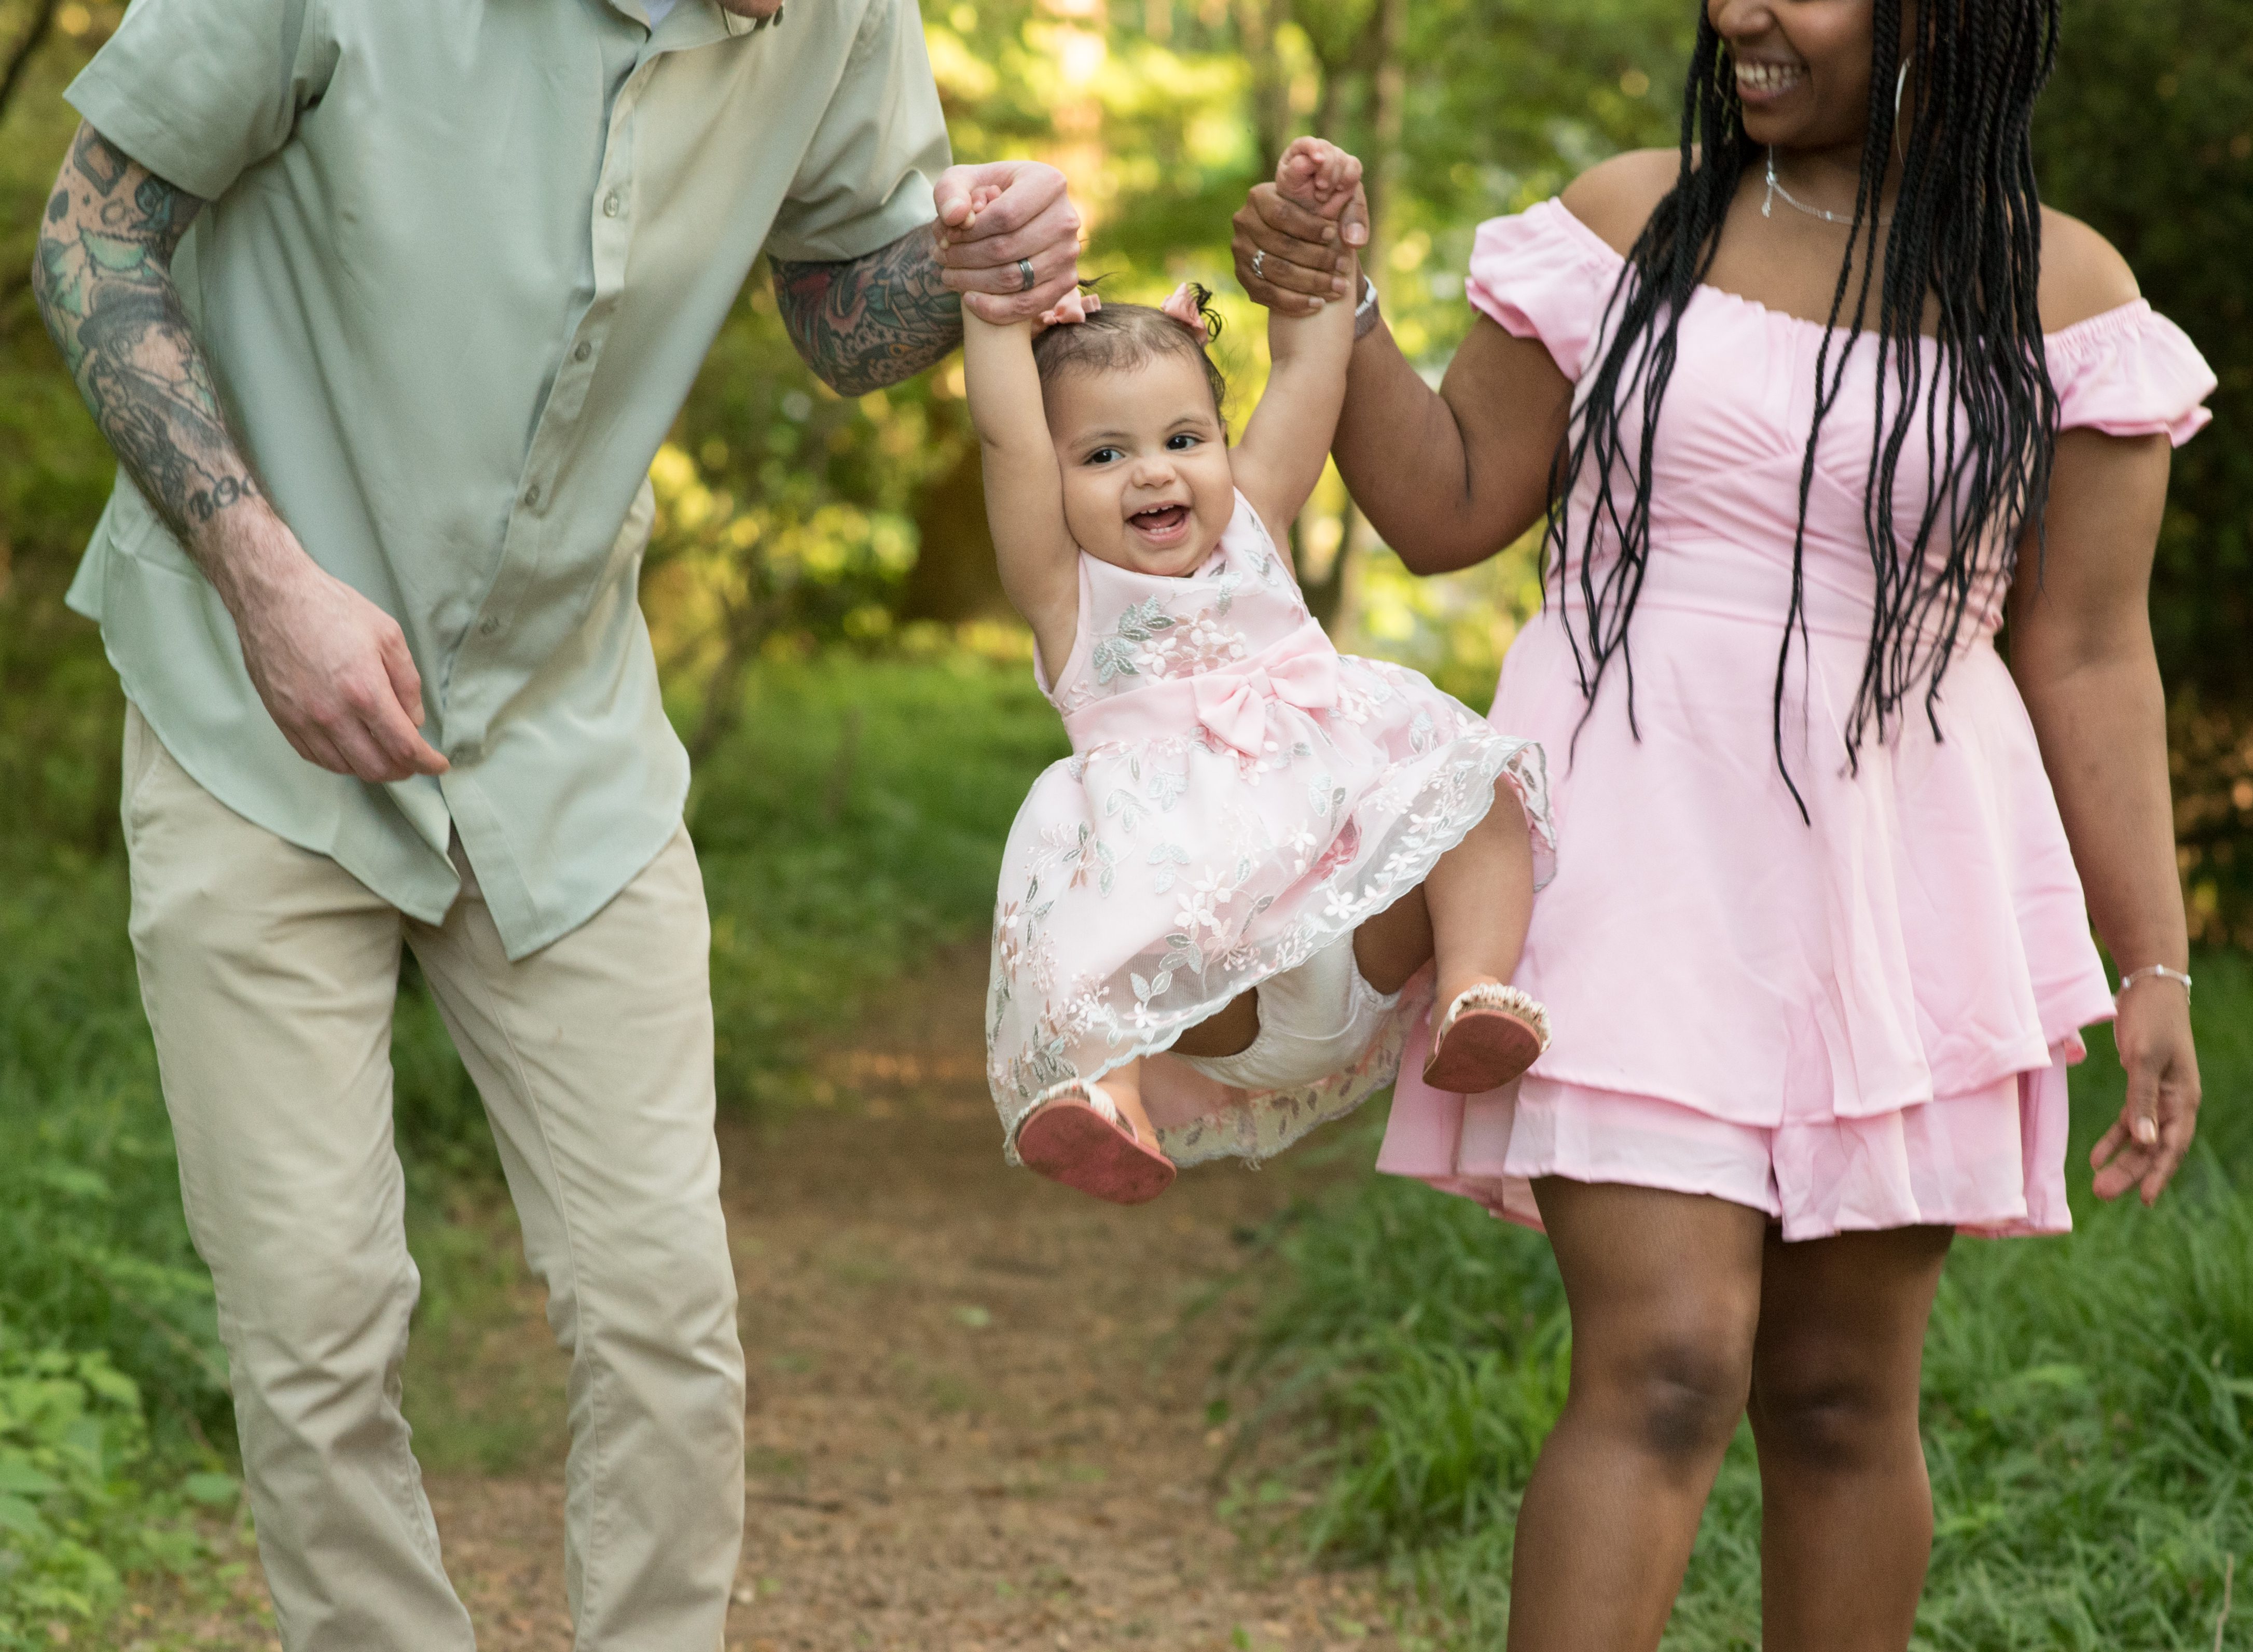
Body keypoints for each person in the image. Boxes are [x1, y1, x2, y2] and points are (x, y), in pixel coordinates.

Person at [30, 1, 1083, 1644]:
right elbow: (90, 236)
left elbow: (838, 312)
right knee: (315, 1326)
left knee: (666, 1311)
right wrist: (262, 569)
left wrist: (965, 259)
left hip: (564, 727)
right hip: (249, 700)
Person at [1232, 1, 2211, 1646]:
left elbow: (2092, 652)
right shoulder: (1631, 219)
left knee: (1839, 1395)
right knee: (1670, 1359)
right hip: (1631, 839)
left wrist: (2157, 963)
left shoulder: (2067, 296)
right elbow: (1449, 504)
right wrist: (1339, 312)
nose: (1739, 11)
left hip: (1904, 880)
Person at [963, 140, 1555, 1205]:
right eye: (1103, 456)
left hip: (1357, 932)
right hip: (1215, 988)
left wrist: (1326, 246)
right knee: (1083, 888)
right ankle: (1111, 1099)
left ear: (1224, 446)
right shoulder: (1068, 594)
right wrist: (995, 301)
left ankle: (1474, 988)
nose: (1153, 470)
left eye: (1184, 438)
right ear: (1053, 485)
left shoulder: (1258, 523)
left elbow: (1310, 372)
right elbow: (1006, 437)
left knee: (1476, 783)